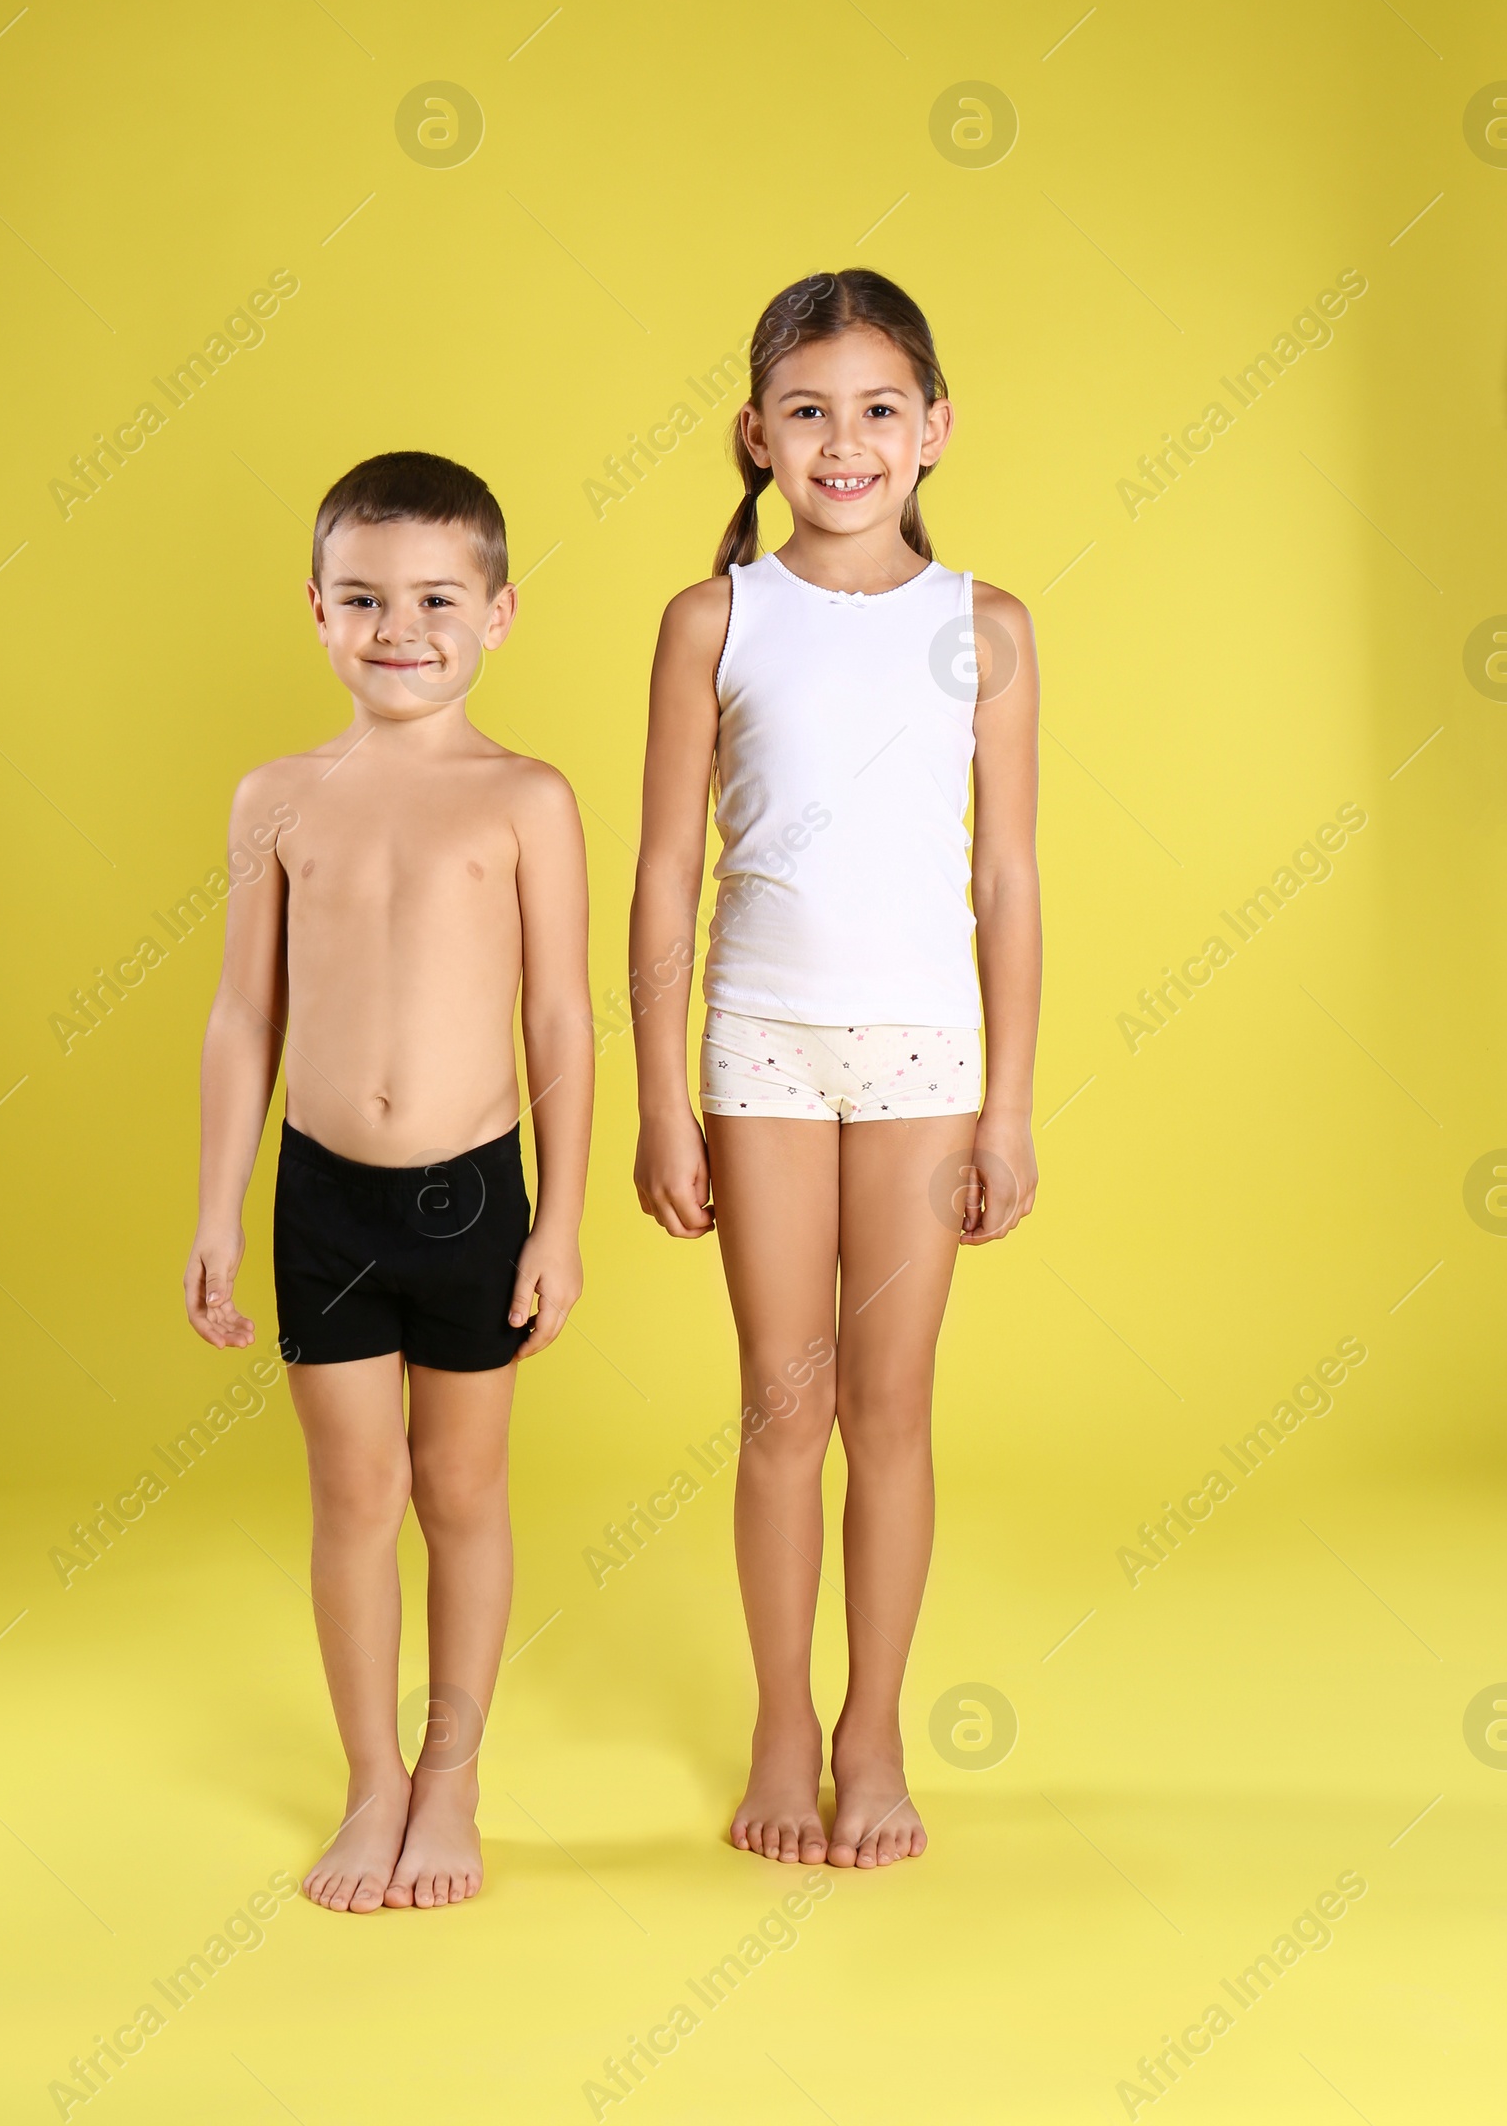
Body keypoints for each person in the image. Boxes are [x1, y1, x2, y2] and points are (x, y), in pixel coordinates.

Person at [630, 271, 1040, 1869]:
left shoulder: (982, 628)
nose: (844, 442)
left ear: (934, 430)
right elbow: (667, 870)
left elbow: (1004, 876)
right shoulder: (716, 619)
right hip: (763, 1048)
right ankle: (783, 1722)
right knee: (781, 1406)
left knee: (893, 1403)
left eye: (878, 410)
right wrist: (664, 1092)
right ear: (758, 436)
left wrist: (1008, 1098)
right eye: (808, 411)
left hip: (927, 1051)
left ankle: (875, 1729)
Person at [184, 450, 592, 1912]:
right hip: (325, 1198)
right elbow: (247, 1016)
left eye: (434, 598)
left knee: (460, 1489)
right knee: (354, 1493)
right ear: (316, 609)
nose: (398, 627)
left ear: (498, 612)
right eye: (362, 598)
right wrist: (218, 1207)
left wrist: (562, 1218)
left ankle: (452, 1775)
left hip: (474, 1196)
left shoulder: (527, 798)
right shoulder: (278, 798)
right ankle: (371, 1781)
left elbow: (562, 1017)